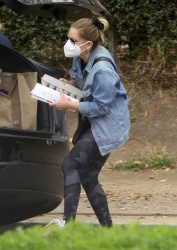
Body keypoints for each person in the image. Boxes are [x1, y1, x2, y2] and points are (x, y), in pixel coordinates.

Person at [46, 17, 130, 228]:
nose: (68, 44)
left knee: (70, 165)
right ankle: (107, 229)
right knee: (88, 175)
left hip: (107, 126)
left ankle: (67, 224)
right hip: (93, 123)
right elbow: (83, 83)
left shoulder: (102, 69)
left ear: (88, 44)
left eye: (73, 40)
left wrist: (69, 105)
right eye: (68, 38)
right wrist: (69, 83)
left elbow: (102, 107)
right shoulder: (81, 57)